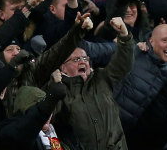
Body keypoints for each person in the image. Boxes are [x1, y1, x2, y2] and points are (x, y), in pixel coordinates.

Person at [54, 17, 134, 150]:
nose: (82, 62)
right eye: (76, 59)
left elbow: (123, 63)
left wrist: (124, 36)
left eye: (85, 58)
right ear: (63, 67)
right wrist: (54, 85)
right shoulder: (60, 92)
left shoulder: (101, 78)